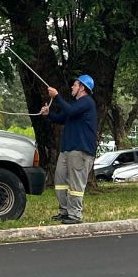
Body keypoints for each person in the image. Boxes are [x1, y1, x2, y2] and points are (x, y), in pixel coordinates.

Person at [39, 75, 97, 225]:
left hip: (80, 150)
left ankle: (75, 215)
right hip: (67, 150)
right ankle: (64, 211)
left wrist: (56, 96)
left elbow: (70, 111)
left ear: (82, 88)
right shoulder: (75, 105)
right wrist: (48, 114)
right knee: (60, 180)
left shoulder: (86, 102)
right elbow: (61, 117)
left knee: (76, 185)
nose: (72, 87)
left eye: (75, 85)